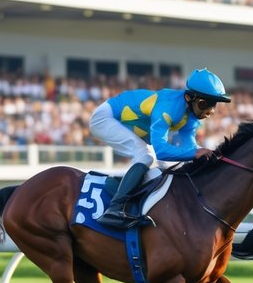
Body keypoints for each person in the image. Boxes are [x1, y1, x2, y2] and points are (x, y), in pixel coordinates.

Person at [88, 68, 230, 228]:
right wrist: (196, 152)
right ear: (189, 97)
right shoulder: (168, 107)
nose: (209, 111)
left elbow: (189, 148)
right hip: (106, 117)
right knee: (145, 156)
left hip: (126, 123)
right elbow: (161, 151)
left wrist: (205, 156)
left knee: (169, 165)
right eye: (205, 104)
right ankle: (114, 209)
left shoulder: (191, 117)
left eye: (214, 105)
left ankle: (124, 190)